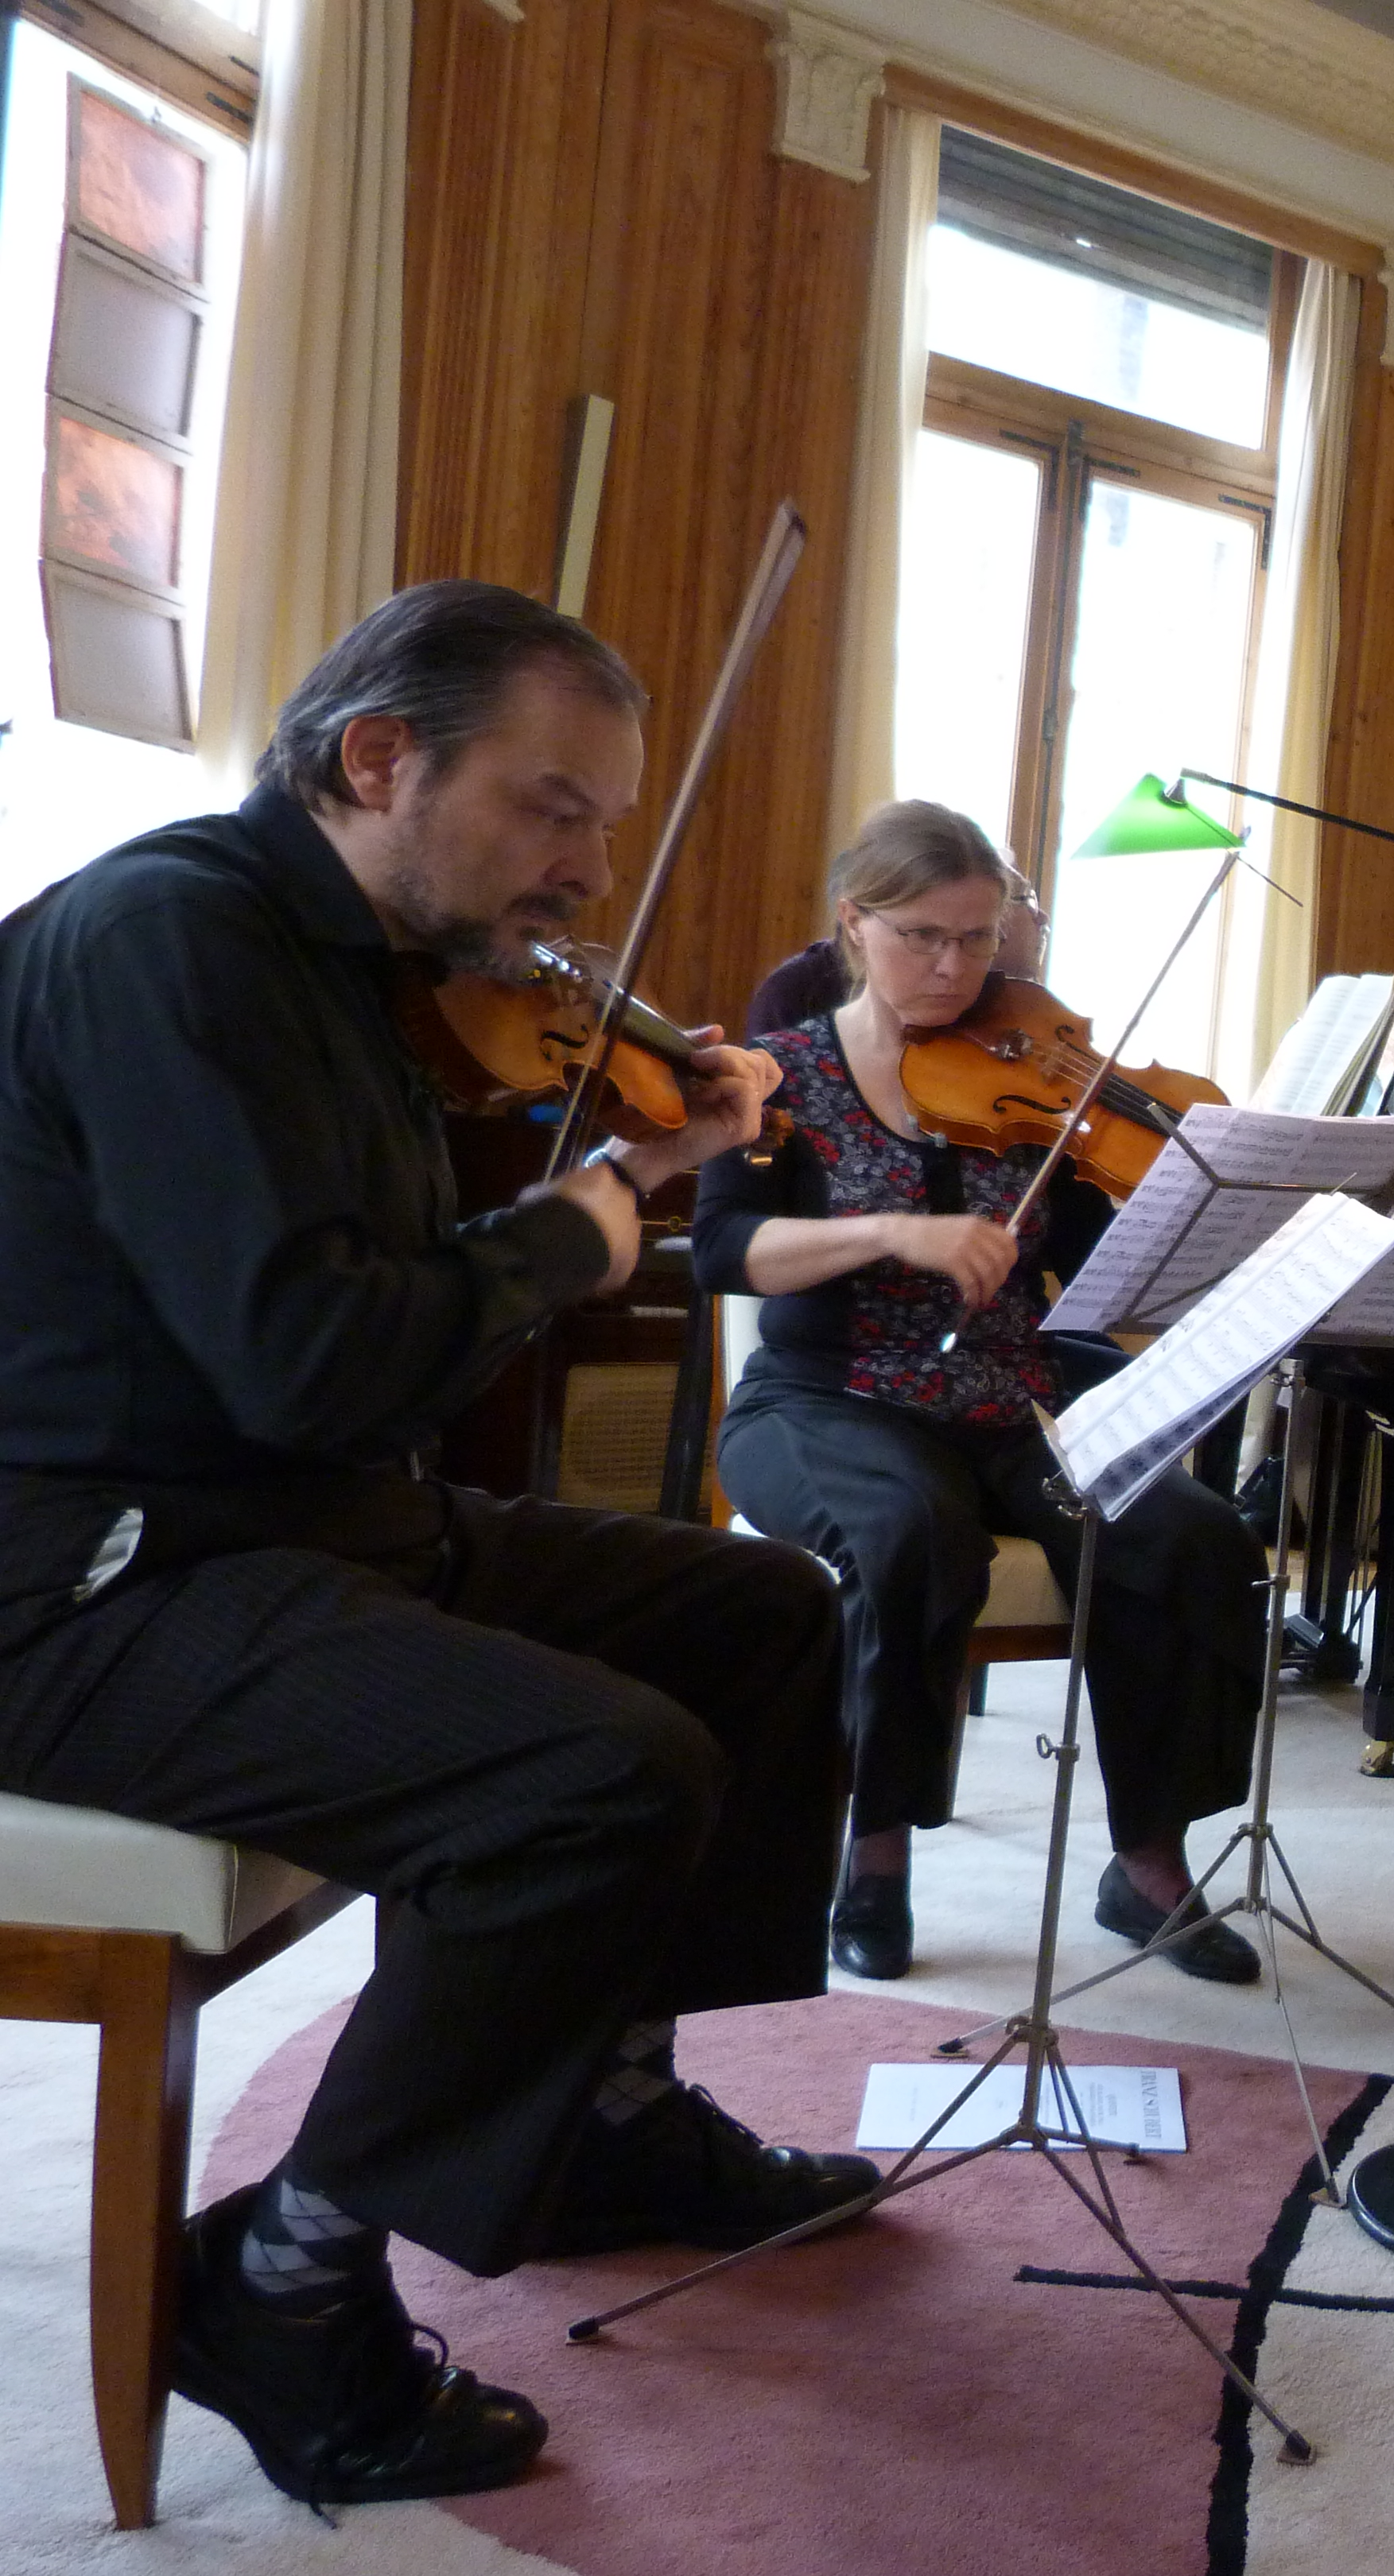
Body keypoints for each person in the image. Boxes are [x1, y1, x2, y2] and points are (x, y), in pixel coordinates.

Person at [0, 582, 878, 2507]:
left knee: (758, 1614)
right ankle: (284, 2273)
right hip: (91, 1577)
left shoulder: (353, 966)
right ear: (379, 757)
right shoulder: (166, 941)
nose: (588, 873)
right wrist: (580, 1227)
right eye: (553, 807)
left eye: (604, 826)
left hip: (296, 1518)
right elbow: (313, 1355)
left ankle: (605, 2121)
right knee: (595, 1778)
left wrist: (641, 1169)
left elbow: (373, 1318)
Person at [695, 802, 1265, 1984]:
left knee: (1189, 1537)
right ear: (855, 923)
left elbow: (1107, 1263)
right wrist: (890, 1231)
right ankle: (874, 1856)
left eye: (979, 938)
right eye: (924, 937)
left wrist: (1193, 1206)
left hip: (1009, 1405)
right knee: (909, 1533)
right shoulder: (781, 1074)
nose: (956, 968)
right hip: (825, 1399)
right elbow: (724, 1250)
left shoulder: (1033, 1079)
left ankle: (1149, 1864)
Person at [744, 851, 1043, 1035]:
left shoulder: (1016, 1005)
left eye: (977, 935)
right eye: (924, 934)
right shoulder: (796, 993)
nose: (1040, 917)